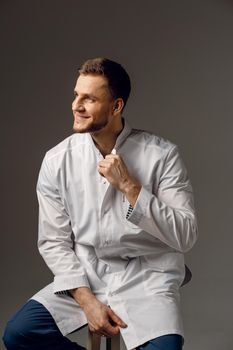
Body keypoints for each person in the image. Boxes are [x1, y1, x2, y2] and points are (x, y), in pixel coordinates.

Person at [3, 58, 198, 350]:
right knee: (19, 334)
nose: (76, 105)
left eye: (89, 99)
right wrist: (87, 300)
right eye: (76, 95)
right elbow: (54, 241)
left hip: (147, 276)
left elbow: (185, 235)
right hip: (87, 275)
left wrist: (131, 187)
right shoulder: (57, 160)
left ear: (116, 107)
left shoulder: (163, 155)